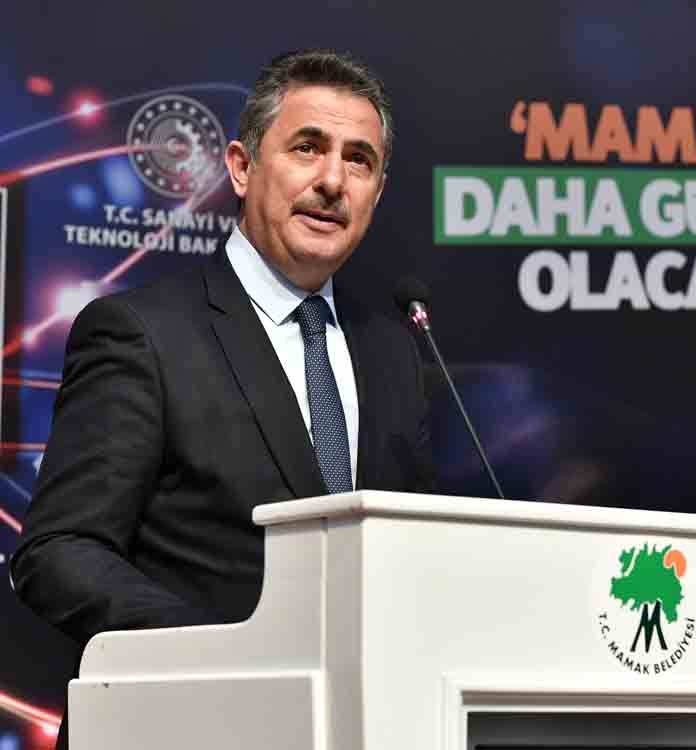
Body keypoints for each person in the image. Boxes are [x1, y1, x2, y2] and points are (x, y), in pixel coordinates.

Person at [11, 48, 435, 747]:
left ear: (377, 191)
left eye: (358, 160)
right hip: (183, 726)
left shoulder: (394, 350)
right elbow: (59, 551)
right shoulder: (142, 332)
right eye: (307, 147)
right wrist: (225, 649)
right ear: (241, 167)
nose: (332, 180)